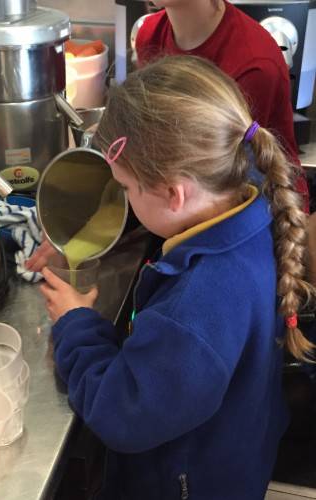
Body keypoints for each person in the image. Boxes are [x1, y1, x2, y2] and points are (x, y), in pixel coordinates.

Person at [38, 56, 315, 500]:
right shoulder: (249, 191)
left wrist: (75, 324)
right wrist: (89, 224)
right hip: (236, 451)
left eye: (125, 190)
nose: (125, 198)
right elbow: (165, 212)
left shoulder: (194, 311)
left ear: (173, 192)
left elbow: (124, 412)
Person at [135, 0, 310, 212]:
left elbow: (231, 178)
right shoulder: (149, 34)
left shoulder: (253, 64)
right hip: (189, 191)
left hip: (258, 208)